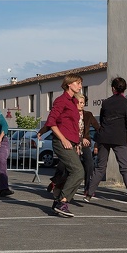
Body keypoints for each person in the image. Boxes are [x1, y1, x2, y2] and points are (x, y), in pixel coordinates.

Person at [83, 76, 127, 213]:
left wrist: (98, 139)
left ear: (113, 88)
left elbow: (102, 121)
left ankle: (89, 193)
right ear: (124, 89)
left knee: (100, 167)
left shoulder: (106, 103)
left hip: (104, 137)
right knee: (125, 167)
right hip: (119, 138)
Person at [44, 93, 100, 198]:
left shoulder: (88, 115)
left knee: (89, 165)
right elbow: (52, 123)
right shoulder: (70, 114)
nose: (82, 105)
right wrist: (41, 132)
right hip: (71, 142)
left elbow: (98, 128)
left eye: (83, 103)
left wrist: (97, 143)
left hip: (84, 144)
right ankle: (56, 182)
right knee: (64, 167)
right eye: (80, 102)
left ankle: (88, 189)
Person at [45, 74, 85, 217]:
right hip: (62, 142)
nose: (80, 86)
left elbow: (73, 126)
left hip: (72, 143)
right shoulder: (61, 100)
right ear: (69, 84)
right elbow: (51, 122)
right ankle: (63, 201)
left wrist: (77, 144)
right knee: (78, 171)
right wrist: (63, 139)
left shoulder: (74, 102)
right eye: (78, 83)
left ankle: (57, 201)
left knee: (69, 172)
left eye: (81, 84)